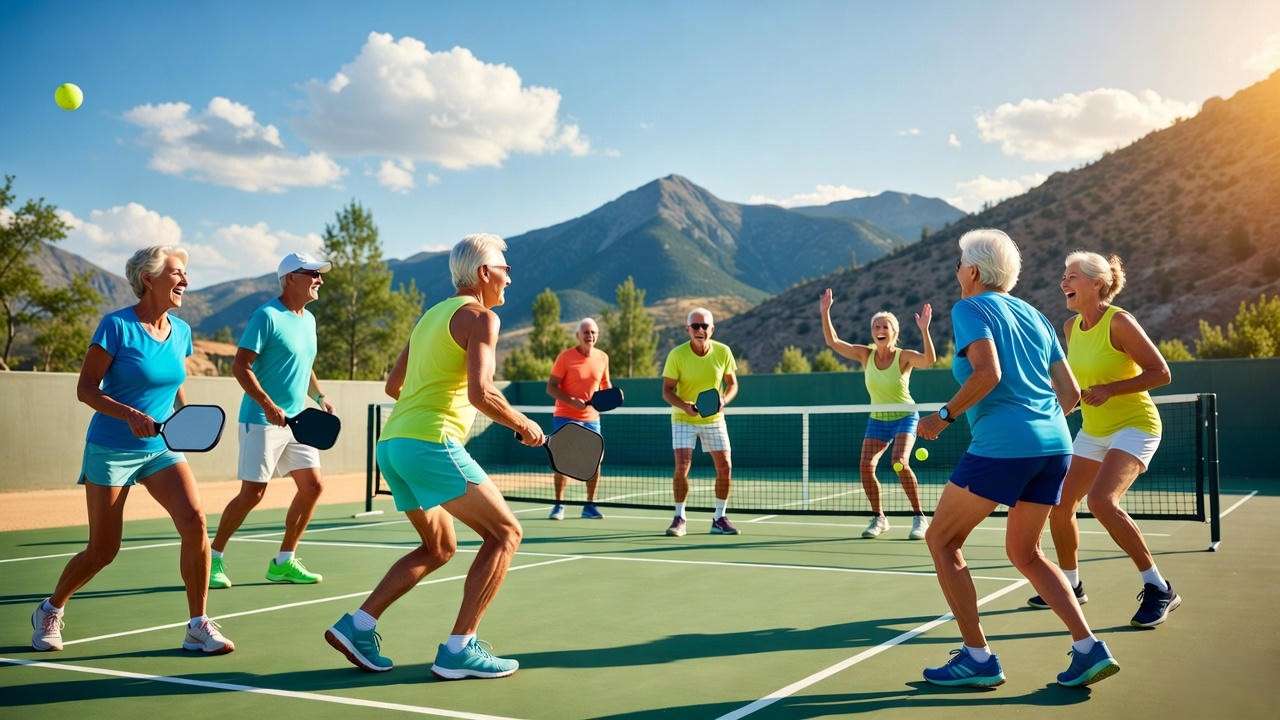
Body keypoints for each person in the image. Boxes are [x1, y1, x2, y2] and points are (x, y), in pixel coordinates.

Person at [325, 233, 544, 680]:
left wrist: (443, 401)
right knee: (505, 534)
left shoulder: (430, 318)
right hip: (431, 442)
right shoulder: (481, 318)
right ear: (484, 273)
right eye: (504, 269)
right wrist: (522, 424)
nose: (509, 277)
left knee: (440, 546)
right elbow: (481, 394)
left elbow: (394, 387)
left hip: (394, 446)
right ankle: (459, 649)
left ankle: (358, 625)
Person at [917, 229, 1118, 688]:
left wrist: (942, 417)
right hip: (1055, 445)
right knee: (1025, 552)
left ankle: (977, 658)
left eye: (958, 264)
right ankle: (1088, 648)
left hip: (1003, 448)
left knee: (942, 541)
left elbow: (988, 374)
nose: (956, 272)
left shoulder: (969, 308)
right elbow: (1069, 394)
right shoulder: (1036, 315)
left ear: (971, 271)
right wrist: (1037, 418)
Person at [31, 246, 234, 655]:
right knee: (103, 550)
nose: (186, 281)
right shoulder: (116, 326)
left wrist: (184, 420)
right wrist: (129, 414)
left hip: (160, 447)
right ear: (149, 278)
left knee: (195, 520)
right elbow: (85, 389)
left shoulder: (181, 331)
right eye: (177, 273)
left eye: (185, 274)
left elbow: (173, 381)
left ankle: (197, 624)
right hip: (112, 446)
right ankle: (51, 609)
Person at [1026, 252, 1176, 627]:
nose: (1064, 282)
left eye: (1072, 276)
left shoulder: (1120, 321)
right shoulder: (1070, 328)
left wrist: (1110, 389)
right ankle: (1071, 586)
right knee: (1059, 505)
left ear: (1097, 283)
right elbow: (1074, 386)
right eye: (1063, 276)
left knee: (1102, 502)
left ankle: (1159, 587)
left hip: (1135, 425)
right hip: (1093, 430)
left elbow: (1161, 373)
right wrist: (1063, 404)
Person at [207, 252, 335, 589]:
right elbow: (241, 366)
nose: (319, 280)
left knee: (313, 486)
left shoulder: (308, 320)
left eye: (320, 275)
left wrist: (320, 397)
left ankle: (284, 561)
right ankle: (212, 558)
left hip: (298, 423)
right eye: (313, 274)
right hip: (261, 421)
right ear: (291, 277)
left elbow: (304, 366)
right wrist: (266, 404)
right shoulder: (266, 316)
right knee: (253, 493)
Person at [819, 290, 935, 539]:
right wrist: (825, 312)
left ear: (894, 332)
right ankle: (879, 518)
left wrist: (924, 330)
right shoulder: (865, 354)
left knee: (899, 462)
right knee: (865, 466)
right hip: (878, 420)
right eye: (875, 326)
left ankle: (919, 517)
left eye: (884, 326)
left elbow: (929, 361)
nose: (879, 329)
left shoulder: (903, 356)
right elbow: (834, 342)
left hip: (905, 416)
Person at [660, 308, 739, 537]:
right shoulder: (677, 355)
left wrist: (724, 400)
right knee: (682, 467)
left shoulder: (723, 352)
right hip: (683, 418)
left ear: (712, 329)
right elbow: (666, 391)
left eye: (705, 326)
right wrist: (685, 406)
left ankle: (719, 518)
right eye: (695, 326)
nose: (700, 330)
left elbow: (732, 384)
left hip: (714, 419)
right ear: (688, 330)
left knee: (725, 467)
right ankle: (679, 517)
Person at [545, 318, 611, 520]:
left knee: (595, 461)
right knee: (562, 461)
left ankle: (589, 505)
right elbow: (551, 387)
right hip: (565, 416)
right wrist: (572, 401)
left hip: (592, 418)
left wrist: (605, 399)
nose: (590, 336)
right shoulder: (565, 358)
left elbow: (606, 385)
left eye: (593, 332)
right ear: (578, 336)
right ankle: (559, 505)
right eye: (586, 332)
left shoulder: (602, 357)